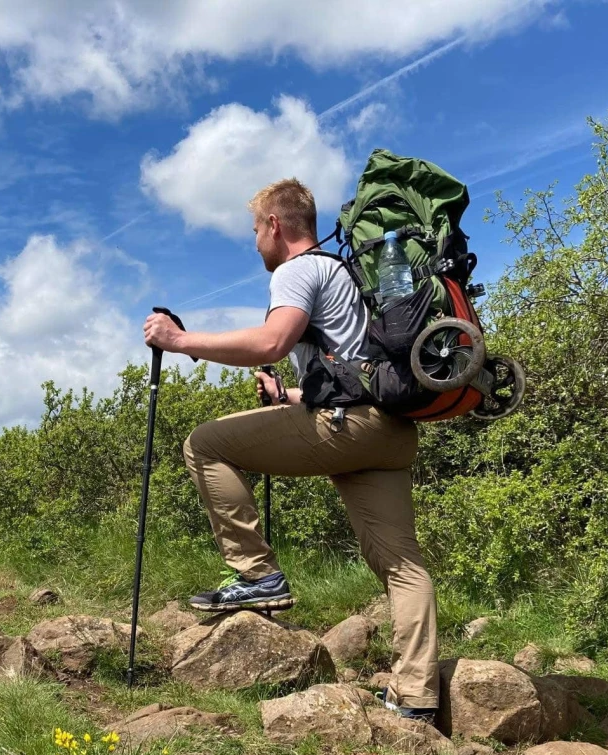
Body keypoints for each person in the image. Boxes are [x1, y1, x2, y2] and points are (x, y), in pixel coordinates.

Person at [141, 177, 439, 722]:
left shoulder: (298, 270)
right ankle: (416, 697)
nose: (255, 242)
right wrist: (290, 394)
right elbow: (352, 368)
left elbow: (272, 342)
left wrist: (179, 341)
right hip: (390, 430)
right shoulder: (348, 273)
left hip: (347, 429)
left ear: (275, 225)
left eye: (255, 230)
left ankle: (256, 575)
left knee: (205, 444)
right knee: (401, 564)